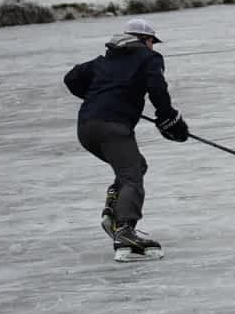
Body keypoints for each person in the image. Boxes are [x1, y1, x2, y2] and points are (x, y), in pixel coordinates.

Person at [63, 18, 189, 261]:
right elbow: (157, 89)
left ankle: (112, 210)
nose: (153, 46)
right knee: (132, 174)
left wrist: (98, 97)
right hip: (113, 128)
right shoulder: (149, 58)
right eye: (153, 41)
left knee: (135, 166)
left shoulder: (104, 60)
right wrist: (168, 118)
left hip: (86, 128)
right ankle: (125, 231)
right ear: (146, 40)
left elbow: (71, 78)